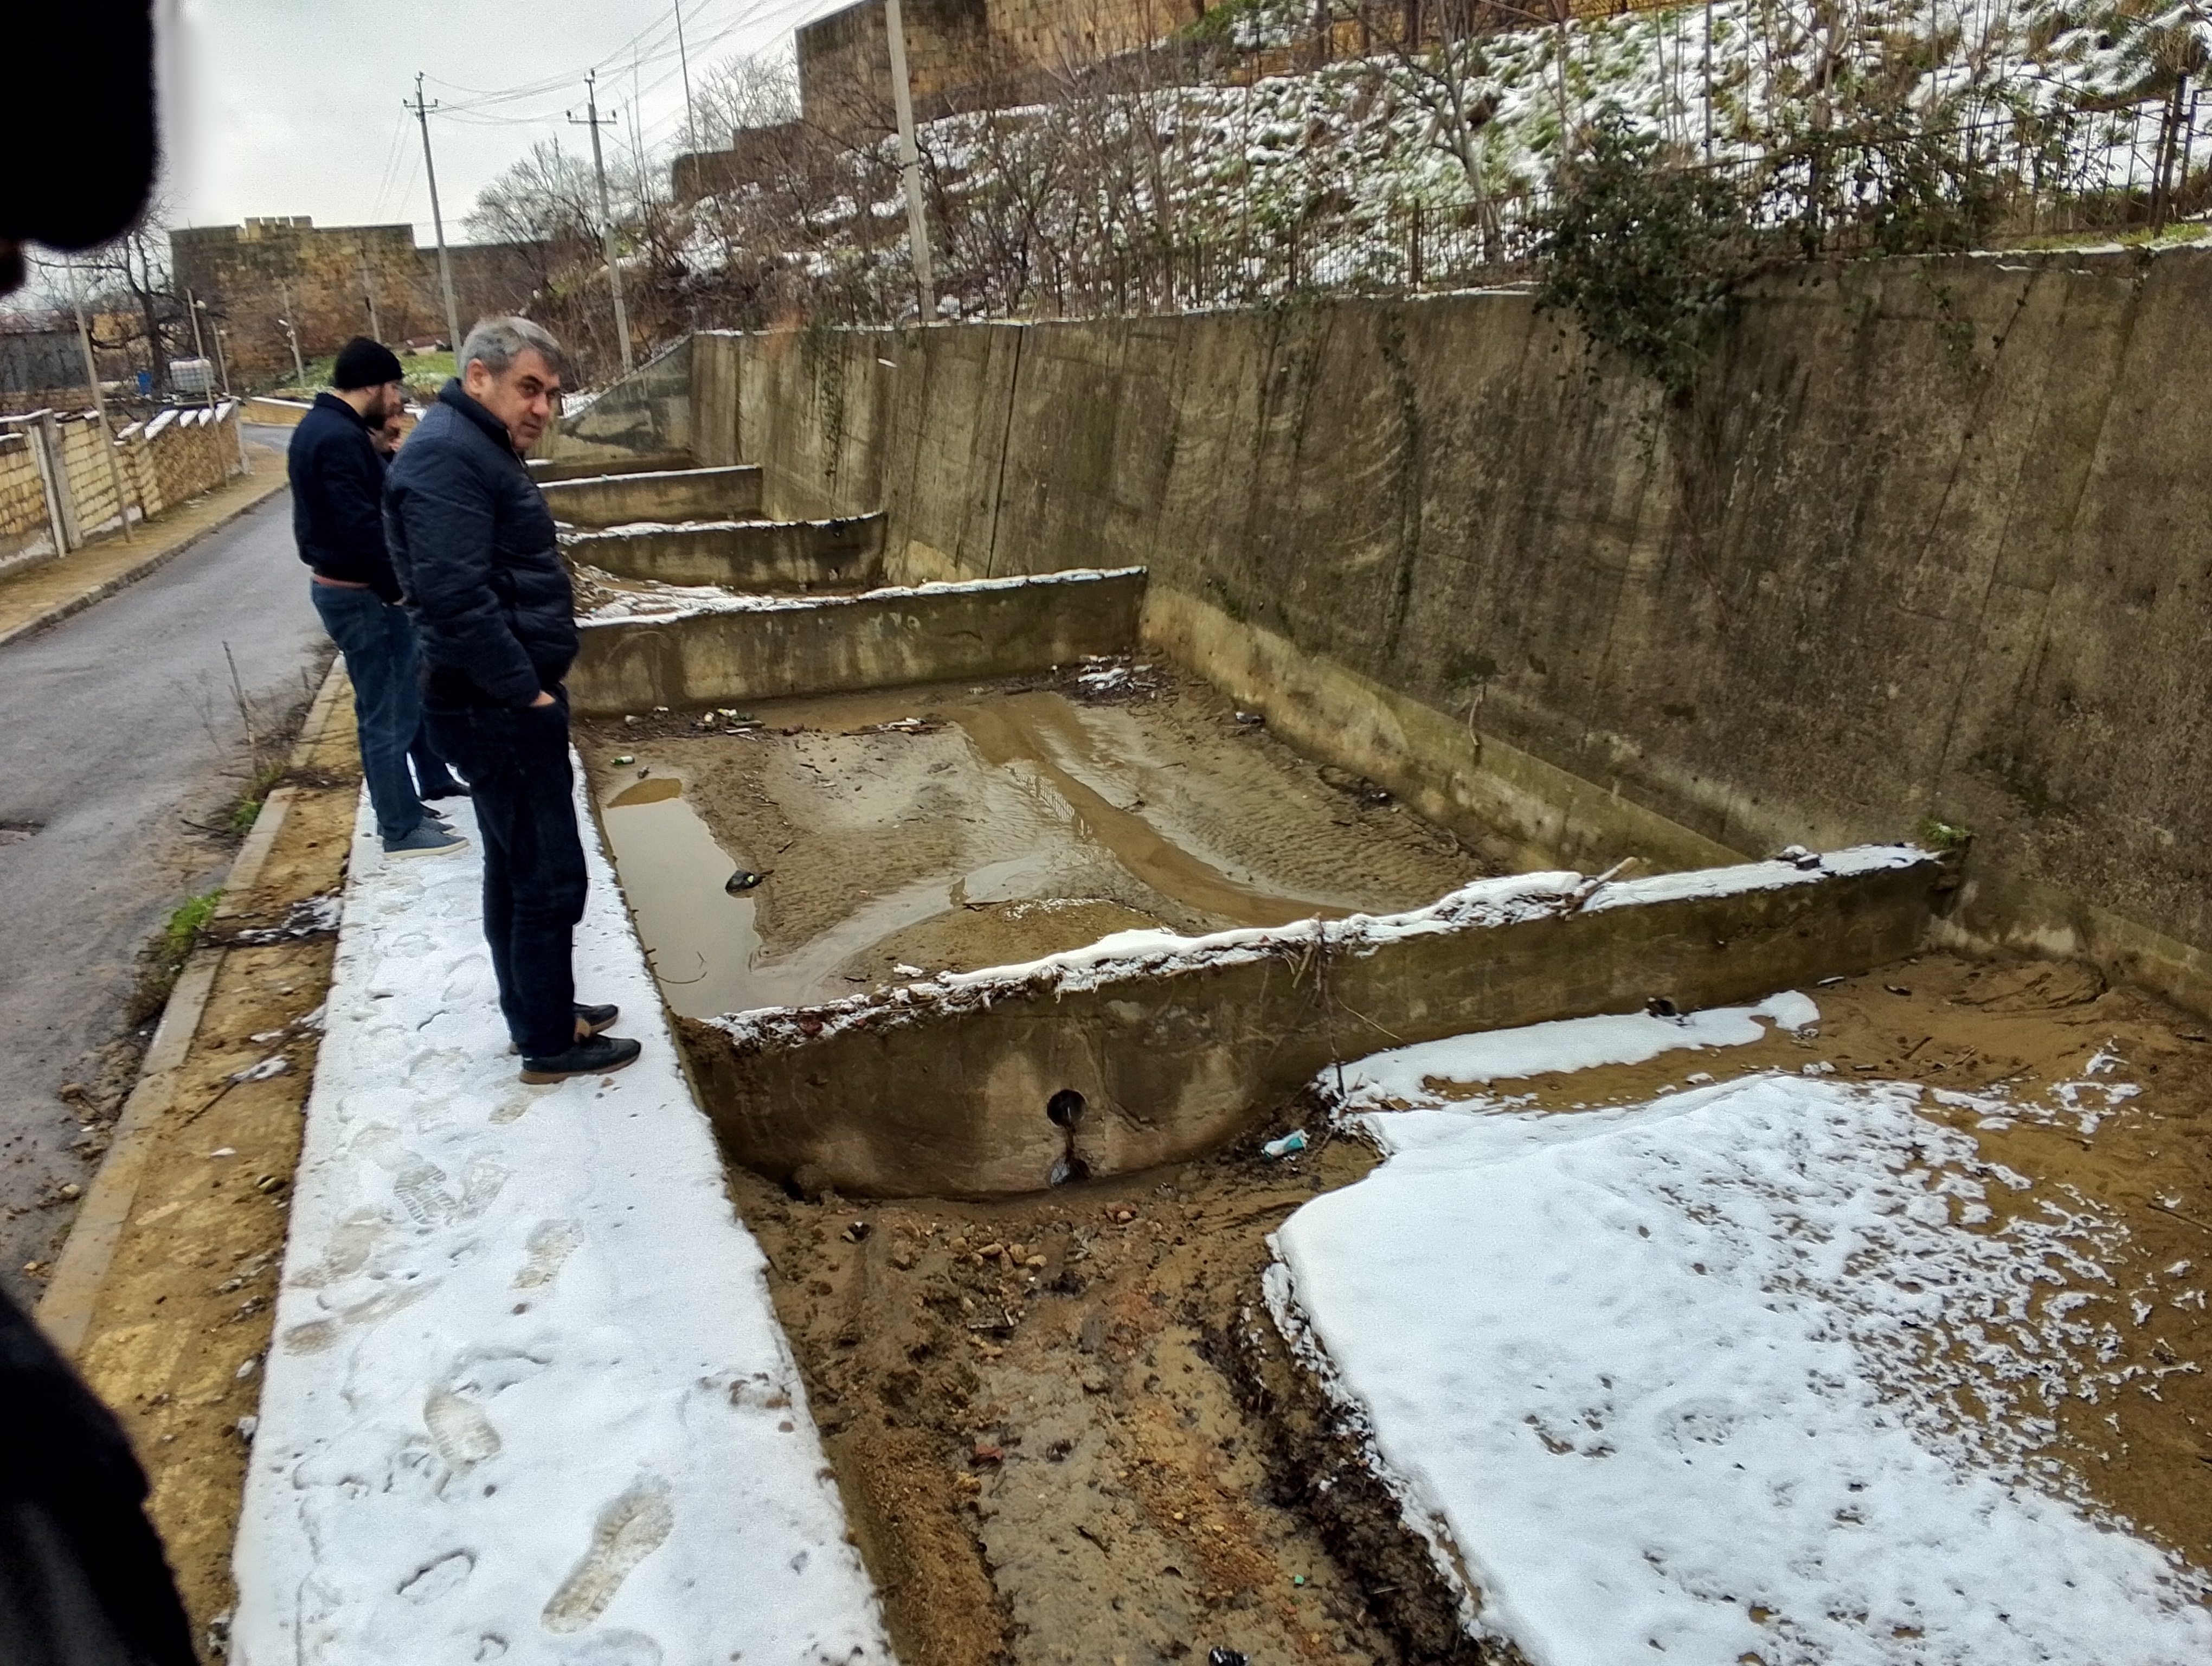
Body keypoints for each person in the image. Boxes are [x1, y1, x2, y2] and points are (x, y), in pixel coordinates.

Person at [385, 318, 640, 1084]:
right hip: (494, 708)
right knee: (547, 876)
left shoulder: (470, 446)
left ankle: (540, 1009)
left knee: (514, 865)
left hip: (489, 701)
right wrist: (524, 692)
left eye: (552, 394)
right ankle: (548, 1041)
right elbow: (454, 598)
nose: (542, 408)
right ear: (478, 378)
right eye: (529, 388)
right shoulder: (449, 458)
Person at [289, 337, 467, 859]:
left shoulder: (325, 429)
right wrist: (398, 591)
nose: (396, 400)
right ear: (371, 385)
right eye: (392, 388)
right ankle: (400, 827)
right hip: (362, 596)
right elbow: (361, 529)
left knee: (396, 700)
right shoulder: (338, 438)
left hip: (355, 591)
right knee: (386, 713)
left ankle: (418, 794)